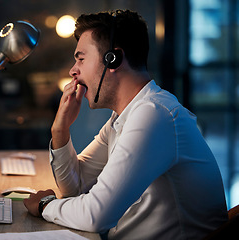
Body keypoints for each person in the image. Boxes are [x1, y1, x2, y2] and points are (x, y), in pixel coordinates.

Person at [23, 9, 228, 239]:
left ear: (113, 59)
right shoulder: (123, 118)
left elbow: (96, 214)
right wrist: (60, 130)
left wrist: (45, 206)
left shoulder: (154, 115)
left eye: (80, 58)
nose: (73, 71)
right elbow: (76, 187)